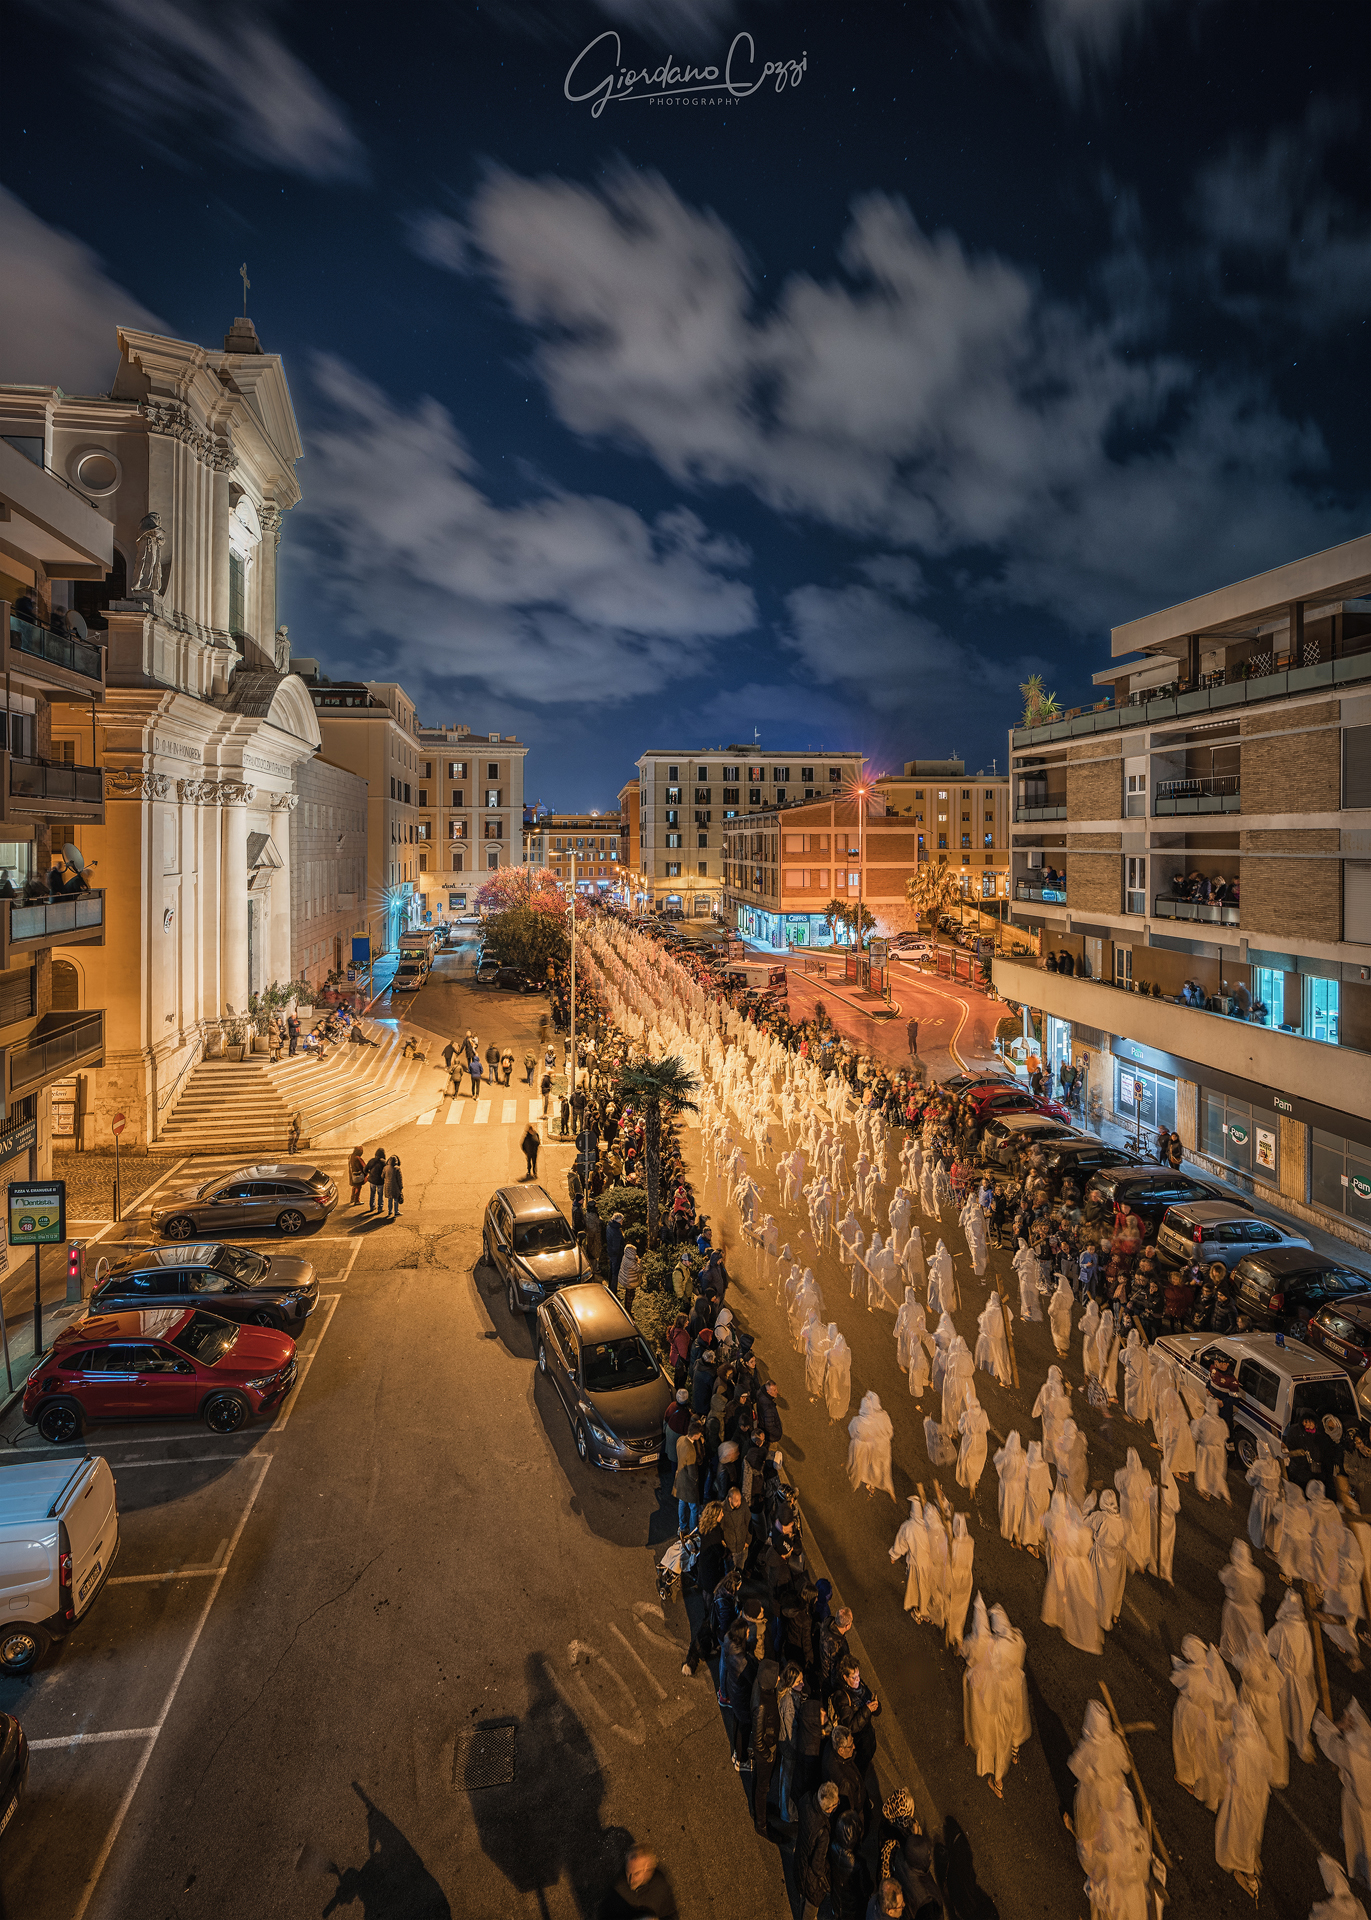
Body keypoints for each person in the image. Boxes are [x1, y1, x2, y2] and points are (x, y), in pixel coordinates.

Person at [599, 1844, 679, 1919]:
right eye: (628, 1872)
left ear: (647, 1869)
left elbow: (671, 1915)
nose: (631, 1880)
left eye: (636, 1874)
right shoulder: (618, 1885)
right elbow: (604, 1913)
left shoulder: (660, 1887)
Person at [797, 1784, 839, 1920]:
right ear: (829, 1808)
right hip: (811, 1880)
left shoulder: (807, 1800)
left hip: (800, 1859)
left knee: (802, 1893)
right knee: (810, 1907)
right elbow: (817, 1865)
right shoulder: (823, 1832)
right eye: (836, 1803)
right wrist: (826, 1880)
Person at [365, 1148, 386, 1215]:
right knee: (380, 1194)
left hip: (372, 1180)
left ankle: (372, 1206)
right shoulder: (384, 1162)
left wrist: (369, 1173)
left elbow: (365, 1169)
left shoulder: (372, 1161)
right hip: (380, 1181)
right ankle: (380, 1208)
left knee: (372, 1193)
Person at [382, 1154, 403, 1219]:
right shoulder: (397, 1168)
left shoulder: (385, 1168)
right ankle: (396, 1211)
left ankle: (390, 1211)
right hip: (395, 1186)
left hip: (388, 1186)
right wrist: (401, 1187)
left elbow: (382, 1176)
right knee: (396, 1199)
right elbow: (399, 1179)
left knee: (389, 1199)